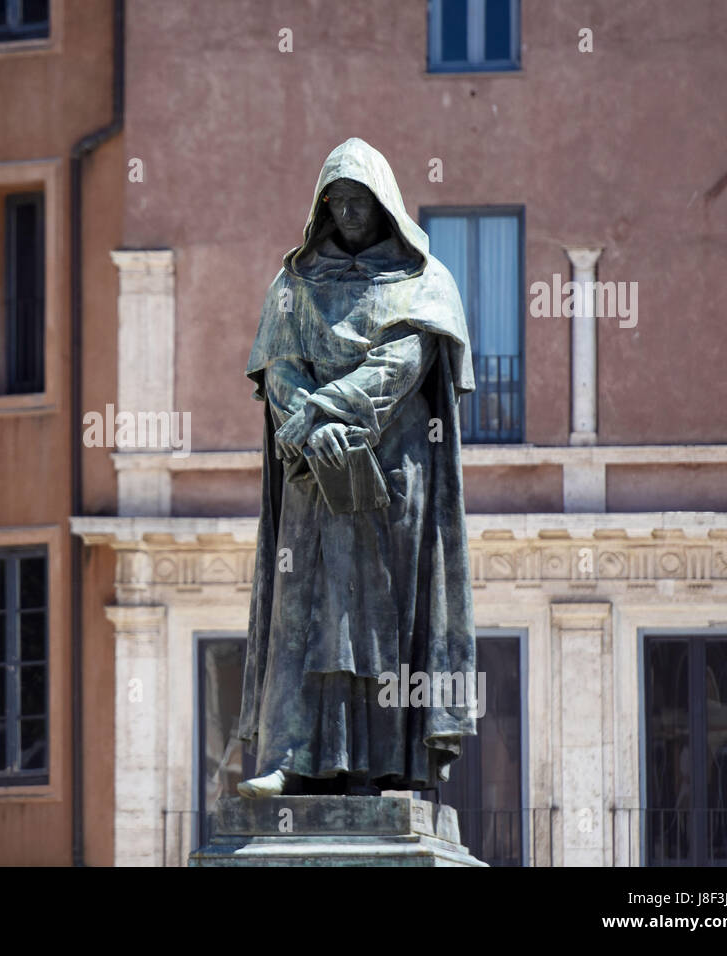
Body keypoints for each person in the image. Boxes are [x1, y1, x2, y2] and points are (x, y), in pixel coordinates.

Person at [237, 138, 478, 798]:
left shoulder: (426, 284)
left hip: (389, 480)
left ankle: (390, 765)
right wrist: (309, 424)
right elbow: (278, 366)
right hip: (312, 477)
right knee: (304, 618)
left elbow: (400, 365)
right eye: (335, 203)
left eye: (358, 202)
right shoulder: (292, 287)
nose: (346, 214)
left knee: (380, 625)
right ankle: (290, 758)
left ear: (385, 206)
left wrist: (321, 413)